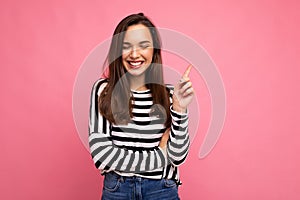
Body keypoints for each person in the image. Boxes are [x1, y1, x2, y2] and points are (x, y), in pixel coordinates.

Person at [89, 13, 194, 200]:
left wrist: (180, 109)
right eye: (126, 46)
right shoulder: (103, 90)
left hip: (162, 190)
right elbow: (102, 155)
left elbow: (177, 157)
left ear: (153, 51)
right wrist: (161, 157)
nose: (135, 54)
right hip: (117, 191)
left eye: (143, 46)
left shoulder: (170, 94)